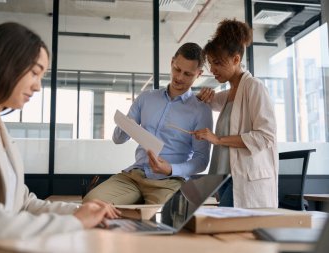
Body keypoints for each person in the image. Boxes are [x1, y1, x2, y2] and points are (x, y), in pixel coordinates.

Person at [0, 22, 120, 252]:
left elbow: (23, 203)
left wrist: (81, 211)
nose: (38, 87)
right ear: (4, 64)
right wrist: (75, 222)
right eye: (34, 72)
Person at [83, 42, 213, 205]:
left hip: (169, 181)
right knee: (92, 203)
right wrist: (126, 124)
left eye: (187, 74)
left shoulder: (201, 110)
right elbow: (118, 139)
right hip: (135, 175)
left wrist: (171, 169)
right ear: (172, 62)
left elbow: (201, 160)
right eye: (177, 69)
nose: (179, 77)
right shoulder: (146, 98)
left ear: (199, 74)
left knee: (164, 220)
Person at [193, 19, 278, 208]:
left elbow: (266, 136)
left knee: (231, 233)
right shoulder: (230, 93)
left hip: (245, 180)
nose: (213, 70)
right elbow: (209, 101)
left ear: (236, 60)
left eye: (217, 63)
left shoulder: (254, 87)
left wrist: (218, 139)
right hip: (225, 178)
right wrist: (202, 96)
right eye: (210, 64)